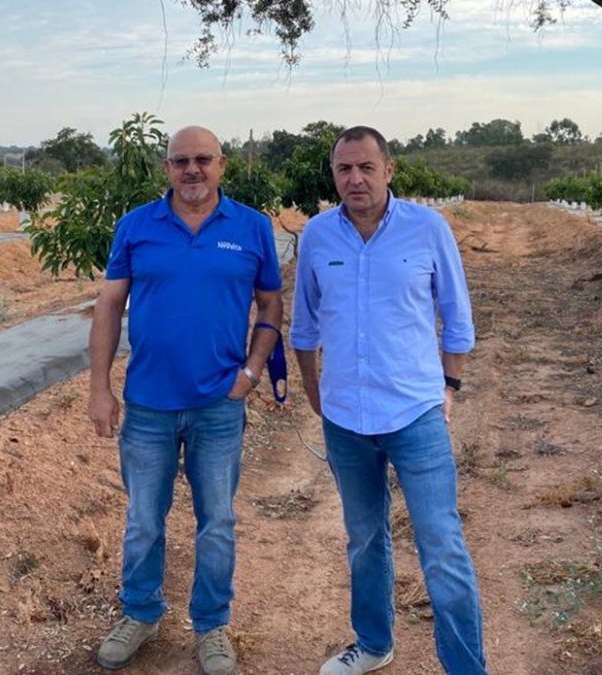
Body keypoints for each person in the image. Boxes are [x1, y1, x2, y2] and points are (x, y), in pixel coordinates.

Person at [289, 126, 487, 675]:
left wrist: (449, 387)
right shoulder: (317, 236)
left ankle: (466, 667)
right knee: (364, 537)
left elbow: (458, 317)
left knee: (441, 545)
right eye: (343, 170)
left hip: (415, 413)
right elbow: (303, 326)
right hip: (346, 420)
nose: (354, 179)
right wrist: (315, 392)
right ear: (334, 176)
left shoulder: (428, 229)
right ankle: (374, 643)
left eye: (365, 168)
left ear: (389, 170)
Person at [88, 125, 283, 675]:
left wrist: (251, 372)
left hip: (219, 405)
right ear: (166, 167)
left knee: (216, 520)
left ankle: (212, 625)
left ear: (222, 164)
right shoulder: (136, 226)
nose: (192, 170)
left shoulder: (251, 228)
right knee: (144, 518)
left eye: (202, 160)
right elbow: (108, 308)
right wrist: (99, 388)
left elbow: (271, 305)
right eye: (181, 161)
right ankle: (141, 613)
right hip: (147, 404)